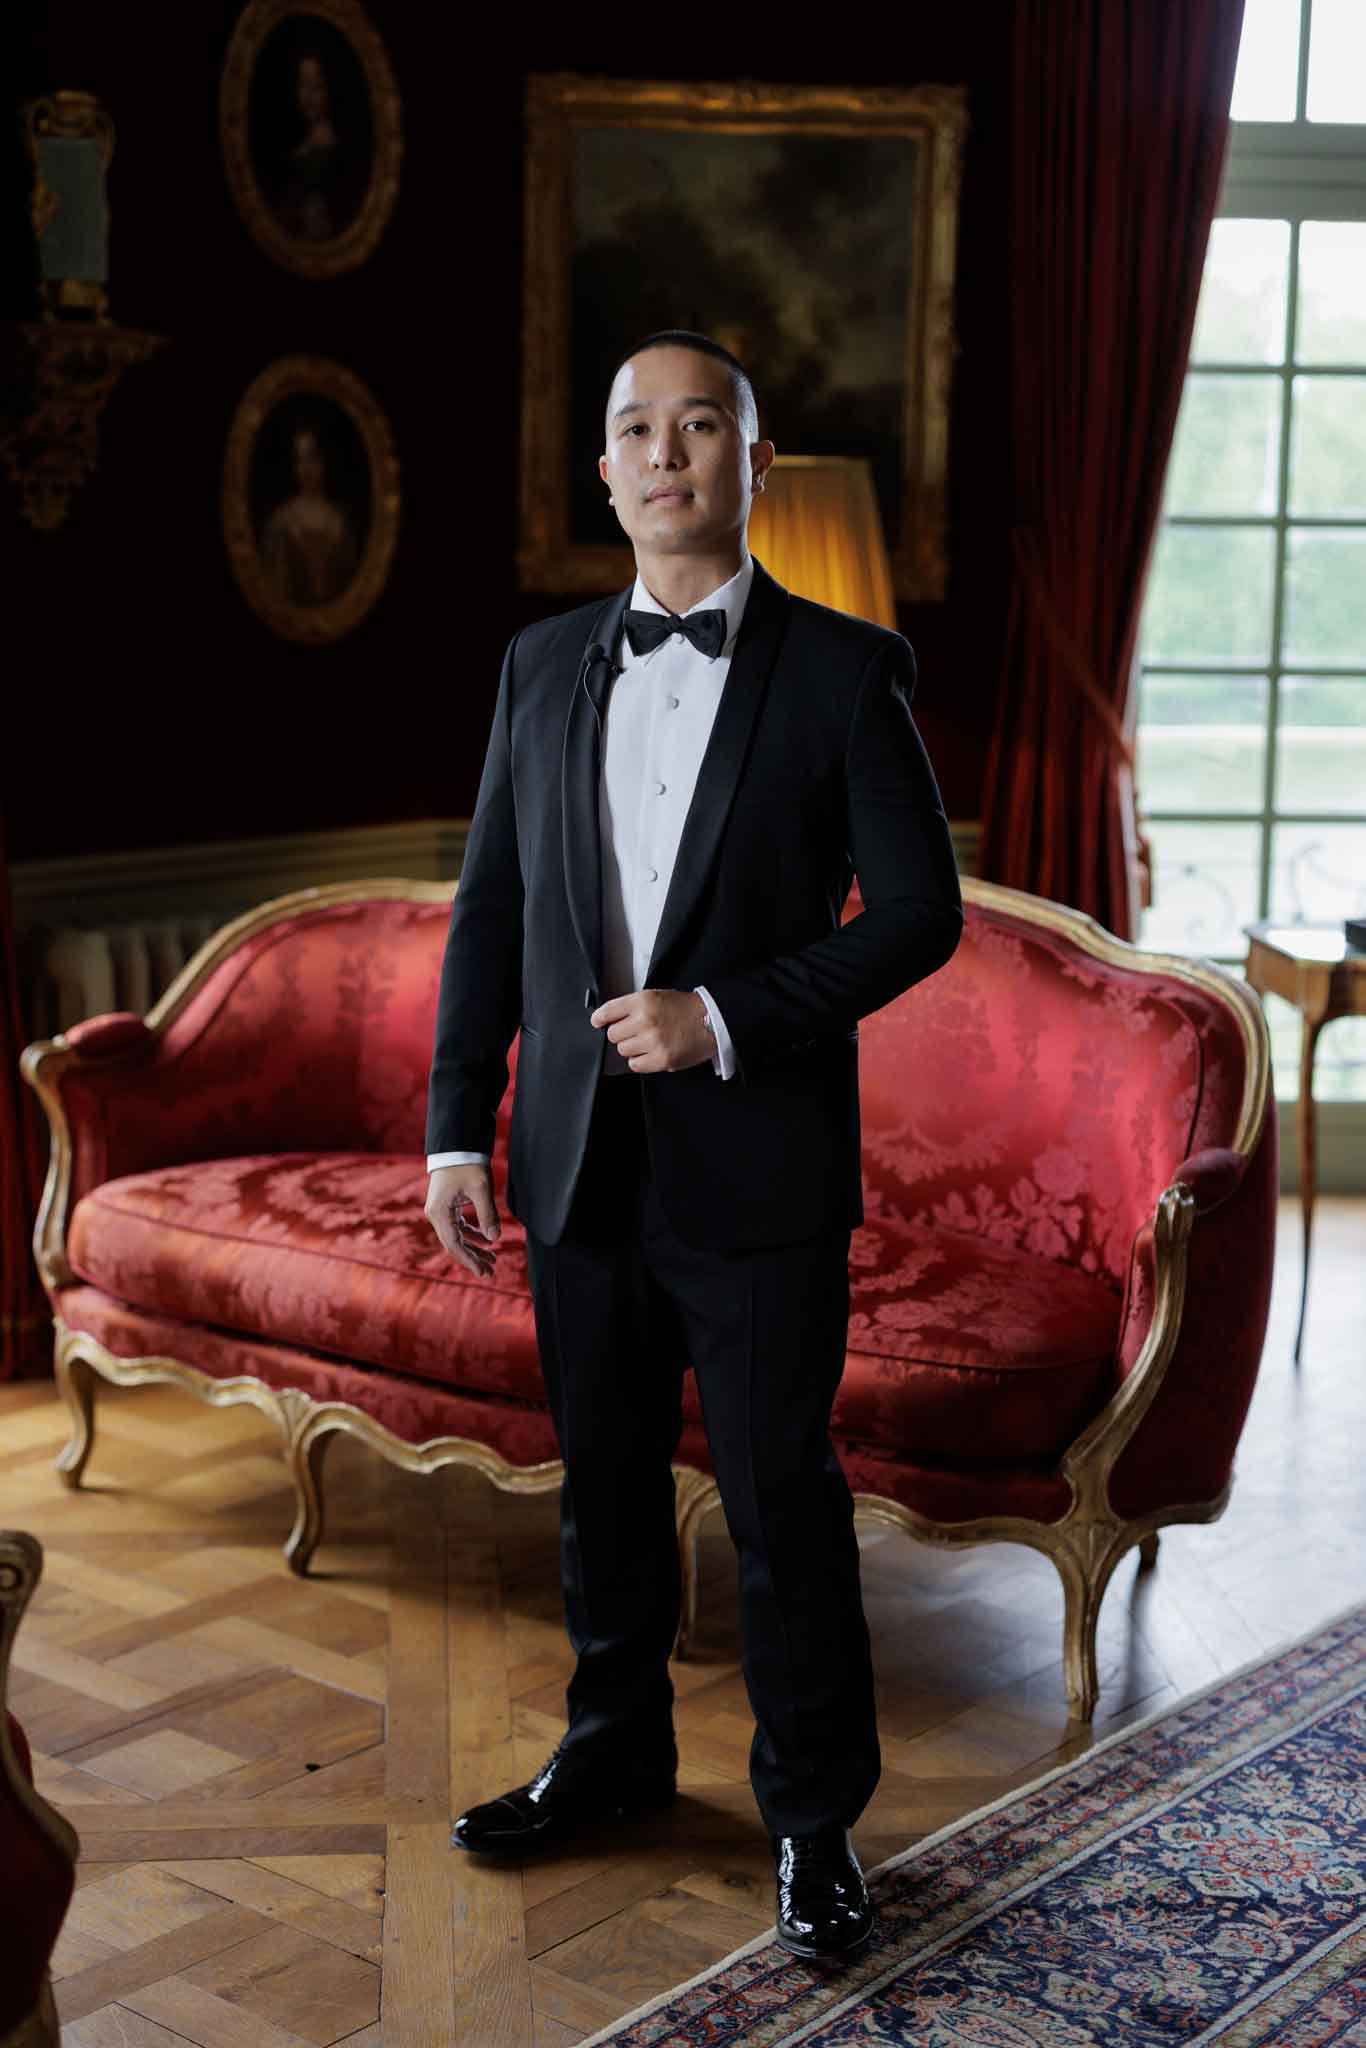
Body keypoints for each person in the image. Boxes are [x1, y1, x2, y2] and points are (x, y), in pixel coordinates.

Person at [424, 331, 962, 1961]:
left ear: (752, 462)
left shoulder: (846, 669)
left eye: (700, 424)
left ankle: (812, 1819)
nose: (665, 453)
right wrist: (455, 1129)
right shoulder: (535, 665)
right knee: (599, 1484)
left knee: (780, 1501)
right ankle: (612, 1753)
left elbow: (918, 916)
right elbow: (491, 912)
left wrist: (722, 1014)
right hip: (573, 1159)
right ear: (604, 470)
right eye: (636, 429)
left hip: (760, 1166)